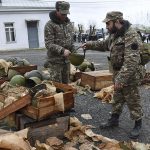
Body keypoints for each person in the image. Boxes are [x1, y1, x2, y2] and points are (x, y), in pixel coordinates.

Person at [82, 11, 145, 139]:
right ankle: (114, 119)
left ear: (117, 21)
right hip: (117, 72)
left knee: (133, 100)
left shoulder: (131, 35)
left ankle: (138, 123)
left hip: (130, 74)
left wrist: (121, 79)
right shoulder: (114, 35)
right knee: (117, 97)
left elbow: (131, 61)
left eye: (108, 23)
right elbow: (103, 44)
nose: (106, 26)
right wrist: (89, 44)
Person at [44, 1, 74, 84]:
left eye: (66, 14)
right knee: (57, 88)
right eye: (62, 14)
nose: (65, 16)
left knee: (66, 86)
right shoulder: (50, 25)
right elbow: (49, 44)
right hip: (55, 62)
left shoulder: (69, 24)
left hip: (66, 62)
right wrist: (62, 50)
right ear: (57, 11)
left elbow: (71, 41)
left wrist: (74, 49)